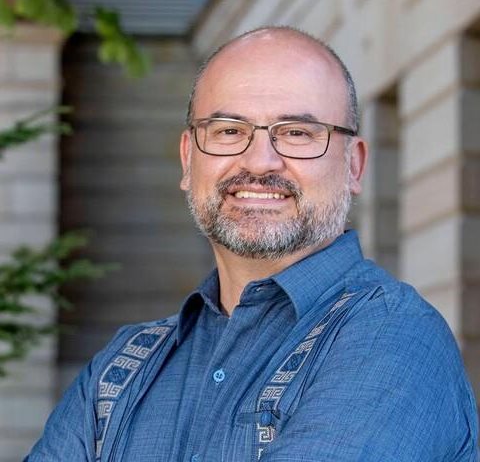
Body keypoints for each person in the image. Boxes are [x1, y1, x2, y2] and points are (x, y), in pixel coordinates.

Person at [25, 26, 478, 461]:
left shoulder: (392, 337)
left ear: (353, 166)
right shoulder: (122, 368)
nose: (260, 161)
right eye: (228, 130)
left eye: (298, 133)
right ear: (188, 159)